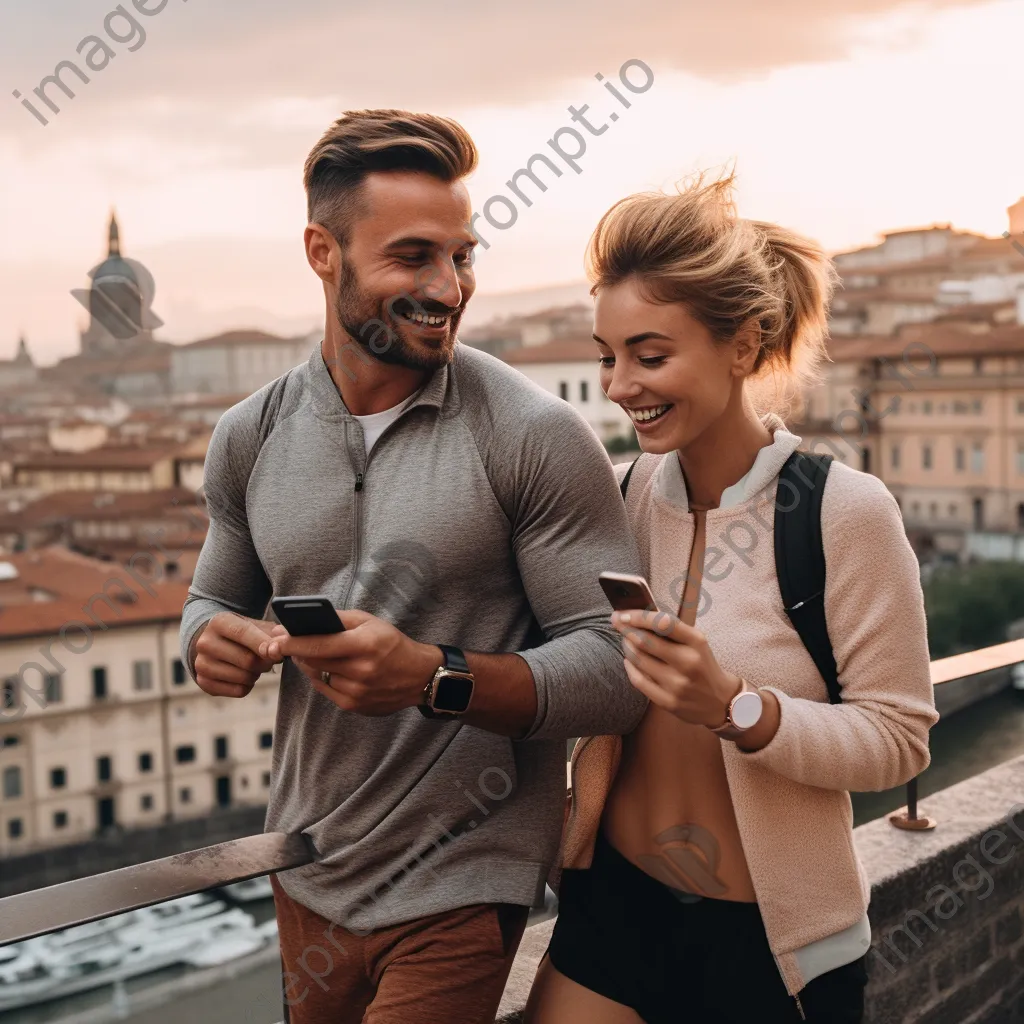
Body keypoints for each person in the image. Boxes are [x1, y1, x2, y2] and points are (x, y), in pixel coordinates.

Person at [179, 109, 648, 1024]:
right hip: (306, 868)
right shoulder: (248, 436)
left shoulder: (534, 436)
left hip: (462, 880)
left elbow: (617, 668)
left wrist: (437, 678)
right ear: (324, 251)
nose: (449, 286)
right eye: (413, 257)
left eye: (462, 255)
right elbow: (208, 601)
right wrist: (212, 644)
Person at [525, 173, 939, 1024]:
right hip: (611, 909)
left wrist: (739, 709)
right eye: (607, 357)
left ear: (744, 347)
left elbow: (899, 741)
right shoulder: (622, 494)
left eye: (649, 354)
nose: (619, 384)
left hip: (768, 946)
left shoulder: (844, 512)